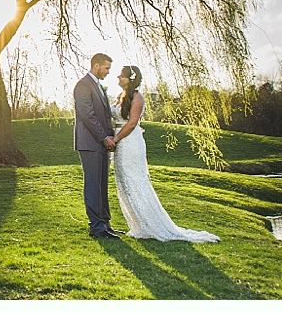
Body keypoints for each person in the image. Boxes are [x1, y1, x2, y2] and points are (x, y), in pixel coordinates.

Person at [111, 65, 219, 242]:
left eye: (121, 76)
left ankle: (151, 225)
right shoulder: (120, 97)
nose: (118, 78)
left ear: (129, 79)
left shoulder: (137, 97)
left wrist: (115, 139)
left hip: (129, 143)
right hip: (121, 143)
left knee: (135, 181)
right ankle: (139, 225)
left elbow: (131, 124)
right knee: (124, 182)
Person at [73, 53, 120, 239]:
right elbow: (88, 115)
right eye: (106, 68)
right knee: (93, 184)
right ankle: (96, 227)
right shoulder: (83, 85)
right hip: (90, 143)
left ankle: (105, 224)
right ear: (96, 65)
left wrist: (111, 136)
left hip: (101, 143)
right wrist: (104, 138)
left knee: (102, 184)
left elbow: (103, 116)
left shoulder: (98, 86)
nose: (108, 72)